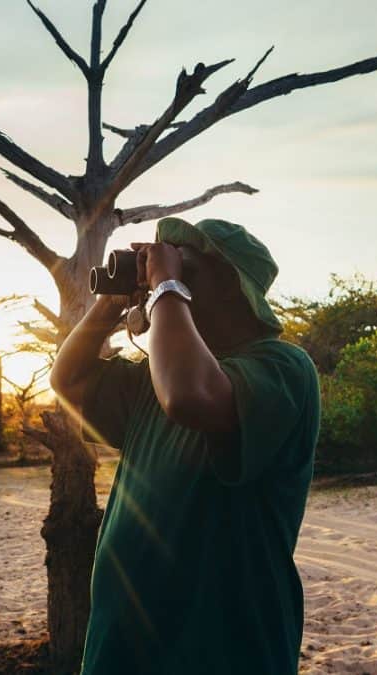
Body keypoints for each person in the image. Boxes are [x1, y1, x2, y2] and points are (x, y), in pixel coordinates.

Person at [51, 217, 321, 674]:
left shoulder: (283, 369)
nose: (159, 278)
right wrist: (110, 303)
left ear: (233, 288)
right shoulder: (151, 381)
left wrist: (165, 285)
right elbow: (68, 380)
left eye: (184, 268)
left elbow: (189, 395)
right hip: (124, 646)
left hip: (222, 649)